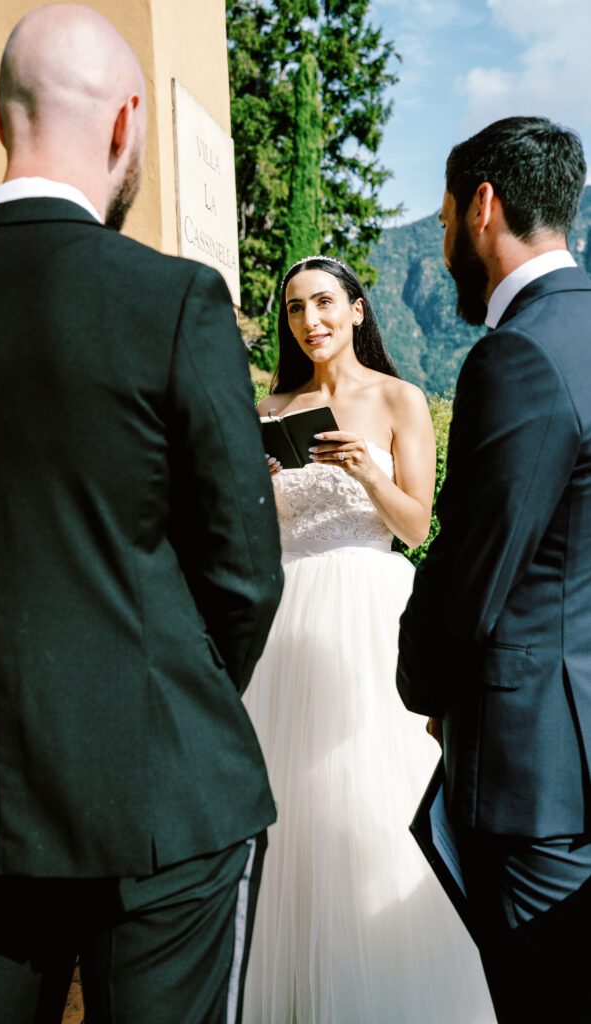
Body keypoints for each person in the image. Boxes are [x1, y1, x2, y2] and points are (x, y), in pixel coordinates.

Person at [0, 5, 283, 1022]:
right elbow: (246, 569)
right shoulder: (173, 300)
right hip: (166, 797)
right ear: (126, 124)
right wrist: (166, 699)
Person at [242, 255, 495, 1022]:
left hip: (370, 614)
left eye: (323, 303)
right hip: (283, 626)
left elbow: (415, 526)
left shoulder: (397, 398)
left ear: (355, 310)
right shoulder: (268, 405)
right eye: (293, 309)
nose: (308, 320)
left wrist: (364, 473)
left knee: (367, 801)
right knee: (287, 806)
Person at [397, 115, 591, 1022]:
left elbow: (472, 567)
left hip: (534, 781)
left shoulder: (517, 354)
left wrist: (420, 685)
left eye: (439, 222)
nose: (440, 244)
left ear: (482, 206)